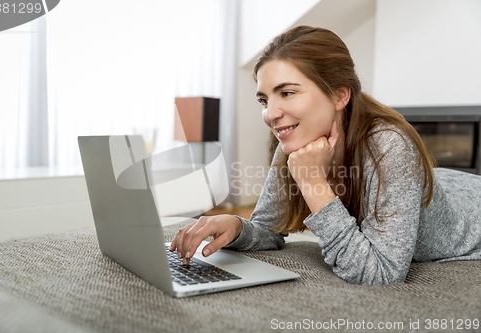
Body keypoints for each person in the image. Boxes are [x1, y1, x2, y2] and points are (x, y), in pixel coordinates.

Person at [169, 25, 481, 285]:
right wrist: (236, 226)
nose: (270, 114)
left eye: (287, 92)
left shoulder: (389, 145)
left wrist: (313, 183)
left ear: (339, 95)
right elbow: (269, 229)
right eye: (264, 99)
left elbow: (381, 275)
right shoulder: (293, 141)